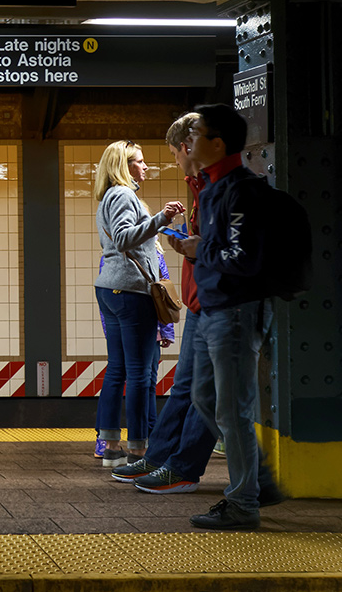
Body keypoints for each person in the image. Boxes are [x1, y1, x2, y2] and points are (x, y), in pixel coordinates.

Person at [172, 104, 278, 529]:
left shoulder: (238, 190)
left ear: (216, 144)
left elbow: (242, 257)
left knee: (231, 409)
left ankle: (243, 503)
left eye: (195, 135)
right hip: (213, 308)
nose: (188, 142)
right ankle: (257, 480)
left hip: (234, 310)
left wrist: (200, 250)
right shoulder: (213, 186)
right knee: (207, 399)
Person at [112, 113, 218, 492]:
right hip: (200, 301)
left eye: (173, 153)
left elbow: (237, 249)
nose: (172, 160)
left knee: (205, 394)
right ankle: (160, 459)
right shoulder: (200, 186)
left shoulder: (218, 188)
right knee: (185, 387)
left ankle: (184, 468)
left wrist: (197, 249)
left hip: (216, 303)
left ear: (188, 147)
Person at [93, 140, 185, 467]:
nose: (146, 167)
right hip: (130, 291)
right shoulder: (121, 195)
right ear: (123, 165)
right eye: (140, 161)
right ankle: (139, 449)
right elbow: (123, 238)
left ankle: (110, 446)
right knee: (140, 374)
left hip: (113, 290)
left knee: (119, 368)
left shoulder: (111, 195)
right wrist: (162, 218)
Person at [93, 244, 174, 461]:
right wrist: (166, 330)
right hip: (147, 321)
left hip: (117, 320)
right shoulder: (152, 252)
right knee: (144, 379)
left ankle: (107, 443)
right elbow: (163, 287)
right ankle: (142, 445)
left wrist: (109, 331)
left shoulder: (109, 254)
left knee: (115, 372)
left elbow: (105, 292)